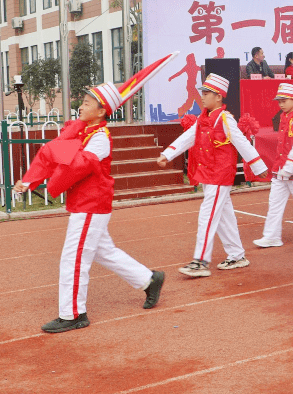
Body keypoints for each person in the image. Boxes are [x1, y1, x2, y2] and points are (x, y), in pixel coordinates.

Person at [16, 58, 175, 333]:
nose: (81, 105)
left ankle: (74, 313)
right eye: (83, 101)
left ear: (102, 111)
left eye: (88, 103)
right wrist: (31, 180)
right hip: (85, 203)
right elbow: (53, 154)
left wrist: (49, 185)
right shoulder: (82, 132)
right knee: (104, 252)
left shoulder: (99, 138)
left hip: (91, 204)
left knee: (74, 257)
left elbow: (76, 167)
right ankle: (150, 280)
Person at [158, 74, 269, 277]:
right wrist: (168, 153)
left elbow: (241, 142)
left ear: (218, 97)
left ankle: (200, 261)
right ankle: (237, 255)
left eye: (207, 93)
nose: (203, 97)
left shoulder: (224, 118)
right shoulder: (203, 118)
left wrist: (257, 165)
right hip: (208, 172)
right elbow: (188, 137)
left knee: (207, 214)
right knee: (224, 216)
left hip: (220, 173)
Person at [252, 83, 293, 249]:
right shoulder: (285, 117)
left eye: (284, 100)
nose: (281, 104)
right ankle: (271, 236)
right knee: (274, 203)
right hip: (280, 169)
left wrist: (289, 167)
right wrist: (282, 169)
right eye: (279, 101)